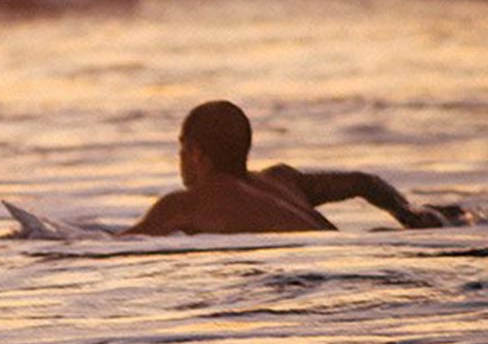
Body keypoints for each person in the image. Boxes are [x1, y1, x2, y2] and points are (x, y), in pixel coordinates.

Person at [122, 100, 463, 236]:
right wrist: (407, 213)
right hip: (342, 250)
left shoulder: (185, 204)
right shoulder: (284, 180)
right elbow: (365, 182)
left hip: (313, 272)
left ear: (196, 154)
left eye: (182, 148)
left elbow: (120, 248)